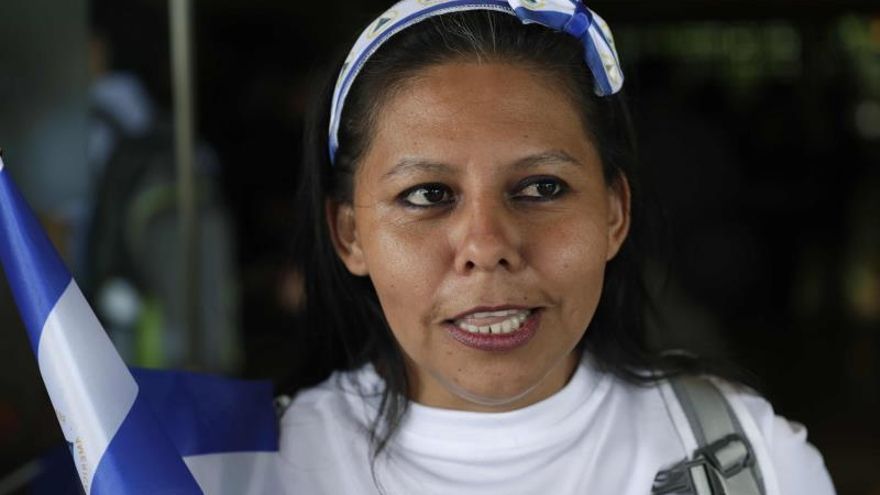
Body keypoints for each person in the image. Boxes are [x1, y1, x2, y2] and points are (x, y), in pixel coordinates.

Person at [272, 1, 837, 493]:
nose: (487, 246)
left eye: (542, 187)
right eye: (428, 194)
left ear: (615, 213)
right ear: (350, 235)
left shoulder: (754, 460)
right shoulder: (254, 469)